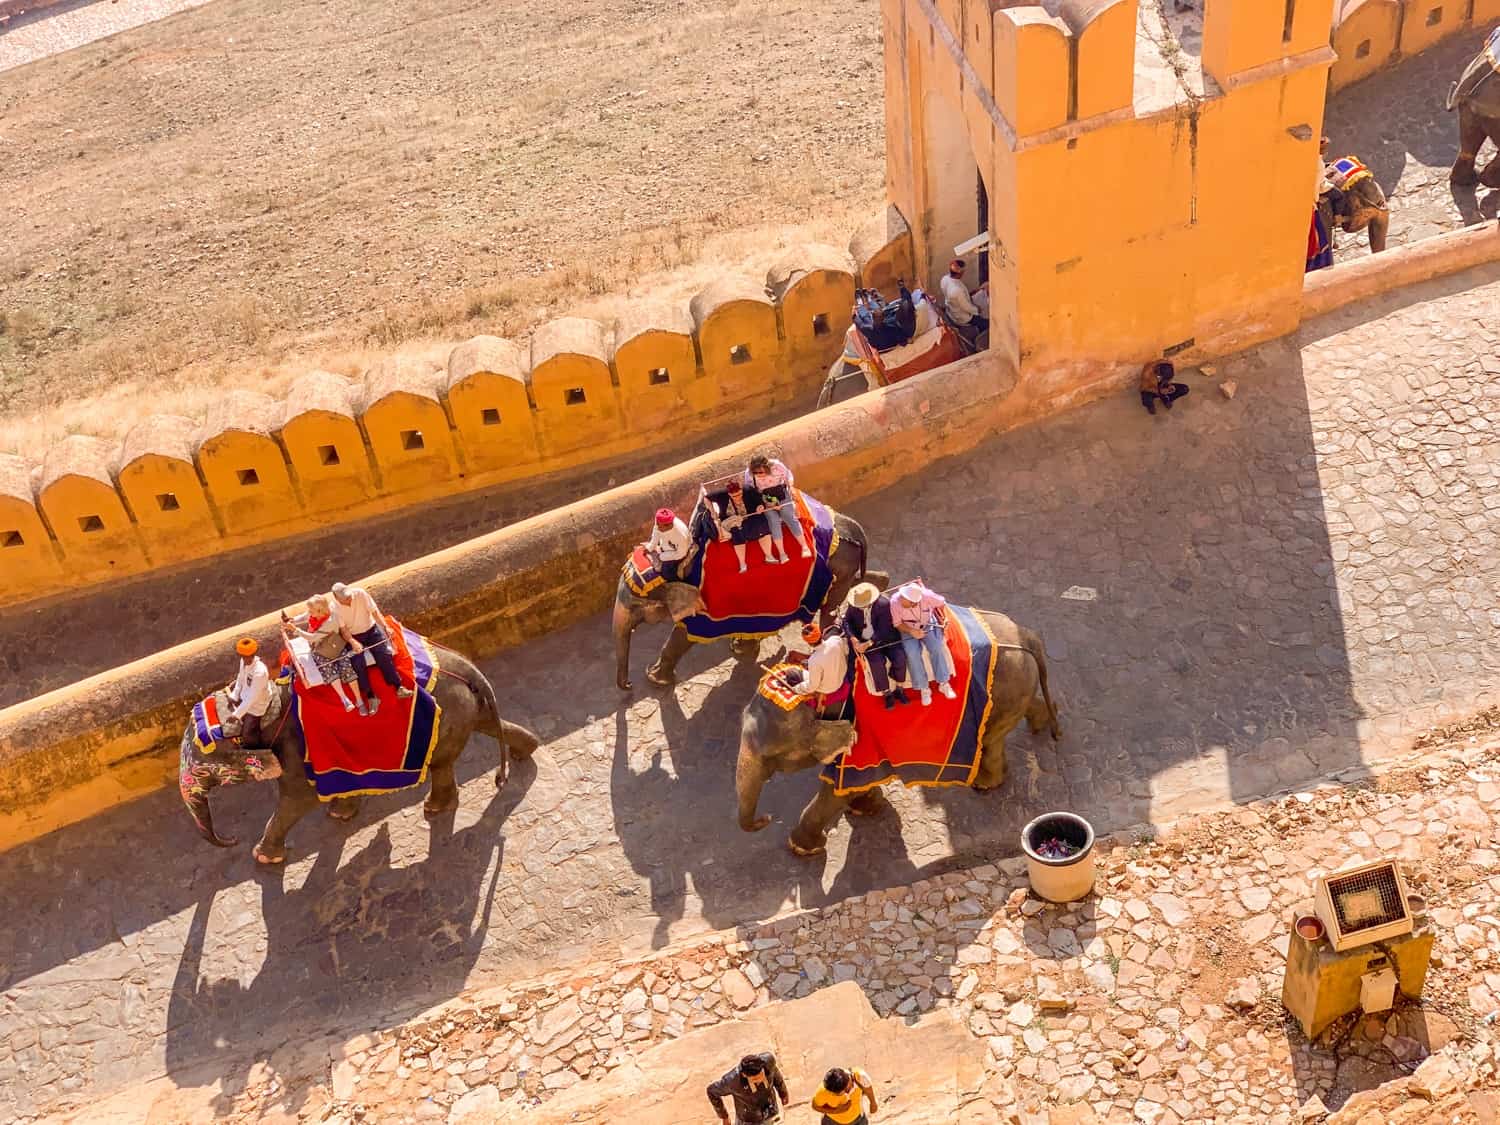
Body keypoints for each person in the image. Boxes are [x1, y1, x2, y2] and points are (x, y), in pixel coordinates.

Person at [329, 581, 413, 709]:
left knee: (383, 653)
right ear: (336, 598)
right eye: (345, 599)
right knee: (357, 662)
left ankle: (398, 687)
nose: (349, 599)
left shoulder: (360, 594)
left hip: (371, 629)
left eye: (349, 596)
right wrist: (352, 642)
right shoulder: (333, 607)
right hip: (352, 635)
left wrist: (385, 627)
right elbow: (343, 630)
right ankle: (370, 696)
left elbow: (374, 612)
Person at [281, 594, 369, 715]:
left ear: (320, 610)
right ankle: (344, 699)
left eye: (311, 611)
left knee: (347, 669)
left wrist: (295, 630)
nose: (309, 613)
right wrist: (292, 620)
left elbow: (313, 638)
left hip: (335, 647)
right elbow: (305, 616)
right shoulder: (314, 614)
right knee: (329, 670)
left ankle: (359, 701)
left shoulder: (331, 620)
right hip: (319, 650)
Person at [842, 582, 909, 710]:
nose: (859, 607)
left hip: (886, 638)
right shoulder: (854, 605)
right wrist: (853, 638)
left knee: (900, 657)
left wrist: (869, 643)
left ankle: (899, 687)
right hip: (865, 640)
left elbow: (884, 629)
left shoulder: (883, 605)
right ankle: (886, 692)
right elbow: (846, 621)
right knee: (876, 662)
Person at [891, 581, 957, 706]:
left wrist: (945, 617)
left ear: (914, 602)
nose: (901, 600)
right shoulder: (895, 601)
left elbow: (942, 603)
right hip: (907, 629)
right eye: (902, 598)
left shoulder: (927, 596)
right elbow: (898, 624)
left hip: (927, 624)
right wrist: (912, 631)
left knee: (936, 647)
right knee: (912, 653)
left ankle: (943, 683)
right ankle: (923, 688)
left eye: (904, 600)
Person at [746, 454, 812, 562]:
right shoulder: (748, 474)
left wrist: (790, 489)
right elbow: (751, 490)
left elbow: (788, 477)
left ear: (767, 468)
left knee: (788, 516)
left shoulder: (777, 466)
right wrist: (764, 503)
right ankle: (782, 553)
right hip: (765, 497)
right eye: (755, 473)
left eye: (761, 472)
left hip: (781, 493)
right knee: (773, 521)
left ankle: (804, 546)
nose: (758, 475)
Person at [709, 478, 778, 573]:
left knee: (762, 524)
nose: (738, 497)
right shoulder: (721, 494)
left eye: (739, 494)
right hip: (732, 520)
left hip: (751, 516)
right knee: (736, 532)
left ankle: (769, 556)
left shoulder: (749, 490)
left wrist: (760, 506)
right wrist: (712, 512)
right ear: (729, 494)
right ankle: (742, 564)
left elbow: (760, 500)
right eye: (734, 496)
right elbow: (706, 498)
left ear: (742, 490)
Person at [707, 1052, 790, 1125]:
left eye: (761, 1076)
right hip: (748, 1119)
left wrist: (783, 1092)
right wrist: (724, 1116)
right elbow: (712, 1091)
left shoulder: (769, 1061)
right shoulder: (732, 1081)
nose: (759, 1081)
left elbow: (775, 1073)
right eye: (754, 1079)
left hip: (769, 1111)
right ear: (744, 1075)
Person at [226, 637, 272, 748]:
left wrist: (236, 715)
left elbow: (252, 698)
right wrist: (235, 695)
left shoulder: (260, 672)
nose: (244, 659)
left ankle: (256, 751)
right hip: (245, 694)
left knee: (247, 734)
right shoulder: (243, 662)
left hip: (257, 704)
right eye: (242, 657)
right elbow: (240, 677)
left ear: (253, 655)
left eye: (247, 657)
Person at [793, 622, 850, 699]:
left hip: (828, 688)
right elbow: (846, 651)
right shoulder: (835, 640)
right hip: (841, 678)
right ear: (821, 634)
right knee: (806, 664)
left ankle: (817, 694)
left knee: (792, 673)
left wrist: (797, 689)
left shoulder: (814, 660)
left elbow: (812, 686)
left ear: (809, 643)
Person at [939, 258, 987, 344]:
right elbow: (966, 307)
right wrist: (977, 309)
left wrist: (976, 291)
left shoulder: (945, 279)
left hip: (952, 309)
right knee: (985, 323)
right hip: (962, 317)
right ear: (960, 273)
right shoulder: (957, 290)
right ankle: (980, 336)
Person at [811, 1066, 879, 1125]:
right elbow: (815, 1106)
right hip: (832, 1122)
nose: (837, 1095)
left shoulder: (859, 1076)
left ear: (847, 1084)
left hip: (858, 1119)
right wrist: (836, 1111)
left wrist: (873, 1103)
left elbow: (867, 1088)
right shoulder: (823, 1091)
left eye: (839, 1093)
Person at [645, 507, 690, 581]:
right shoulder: (659, 523)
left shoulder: (681, 535)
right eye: (657, 523)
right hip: (665, 545)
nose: (657, 527)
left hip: (677, 553)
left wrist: (662, 556)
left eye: (660, 526)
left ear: (669, 525)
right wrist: (649, 548)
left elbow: (681, 554)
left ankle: (675, 582)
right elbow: (655, 535)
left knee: (666, 573)